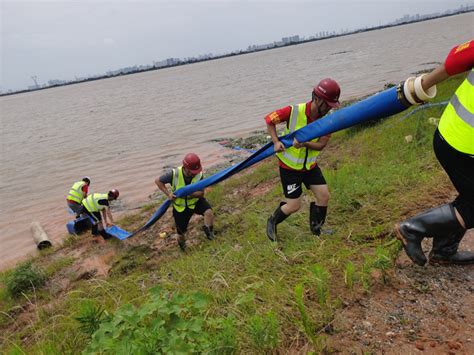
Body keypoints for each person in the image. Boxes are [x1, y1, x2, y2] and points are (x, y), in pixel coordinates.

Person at [395, 40, 474, 266]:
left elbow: (458, 57)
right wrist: (419, 89)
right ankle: (411, 229)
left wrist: (422, 86)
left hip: (453, 133)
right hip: (460, 144)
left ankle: (444, 250)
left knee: (471, 194)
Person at [265, 78, 341, 242]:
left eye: (331, 105)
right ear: (317, 98)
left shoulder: (327, 121)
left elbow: (321, 145)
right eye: (327, 104)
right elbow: (269, 120)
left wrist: (305, 144)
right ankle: (272, 221)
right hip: (289, 168)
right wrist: (276, 141)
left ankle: (317, 230)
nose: (329, 108)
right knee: (294, 206)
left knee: (324, 196)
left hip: (310, 167)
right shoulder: (294, 111)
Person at [155, 153, 215, 251]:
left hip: (195, 202)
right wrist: (168, 194)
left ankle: (209, 233)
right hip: (180, 208)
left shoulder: (199, 175)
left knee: (209, 213)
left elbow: (201, 194)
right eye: (192, 171)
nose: (194, 173)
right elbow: (158, 181)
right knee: (181, 233)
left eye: (196, 171)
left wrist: (189, 194)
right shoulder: (174, 174)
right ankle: (183, 247)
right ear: (185, 167)